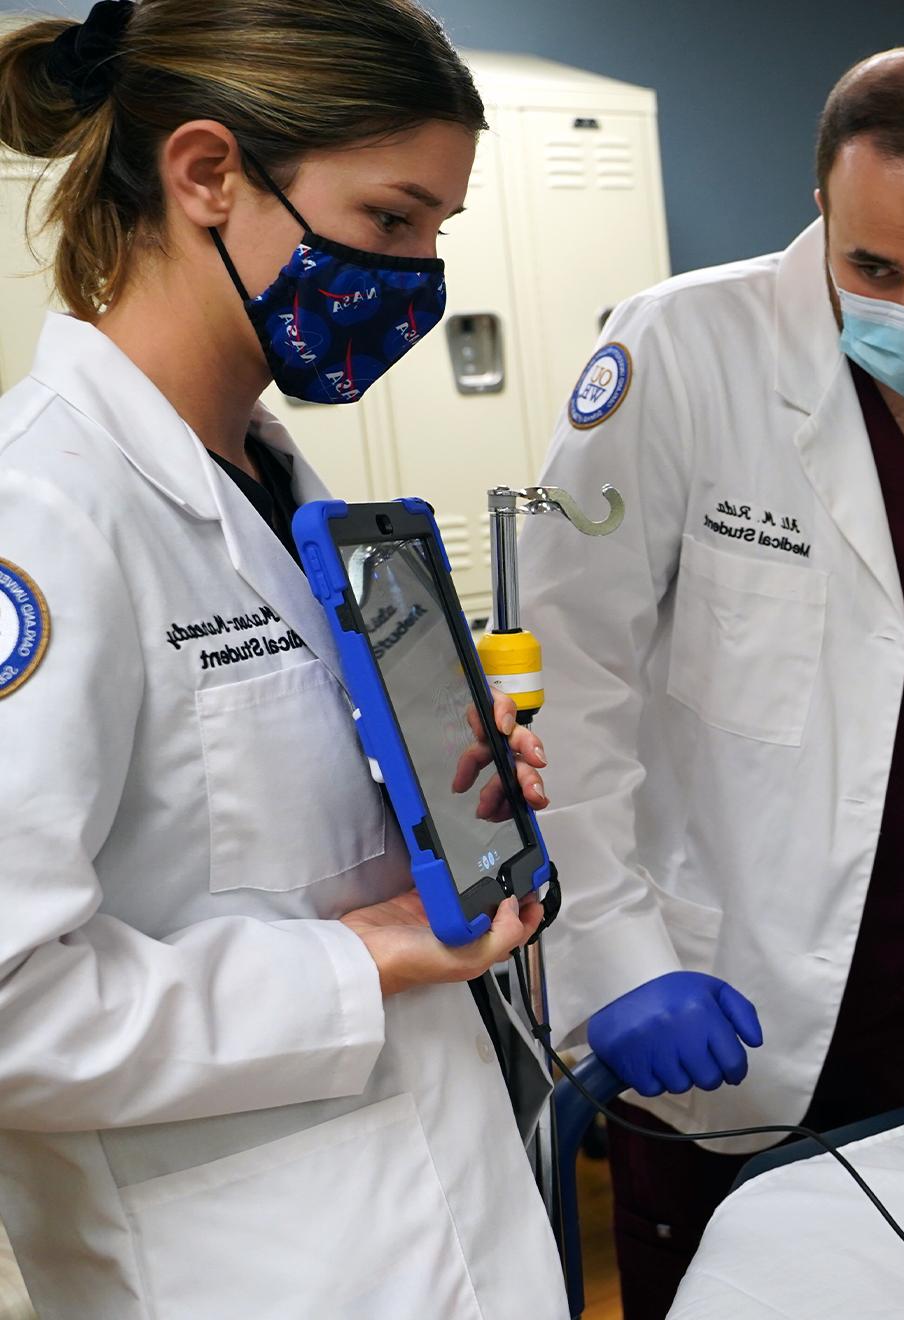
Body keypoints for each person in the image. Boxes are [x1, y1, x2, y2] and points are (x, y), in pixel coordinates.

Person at [523, 46, 904, 1315]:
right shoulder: (678, 349)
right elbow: (575, 687)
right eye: (871, 268)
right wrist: (613, 954)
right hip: (718, 993)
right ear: (822, 217)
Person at [0, 2, 576, 1315]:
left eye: (438, 230)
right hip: (239, 1260)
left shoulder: (274, 484)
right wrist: (362, 958)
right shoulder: (41, 513)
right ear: (207, 174)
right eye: (389, 221)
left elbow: (246, 837)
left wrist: (429, 782)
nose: (421, 273)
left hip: (442, 1209)